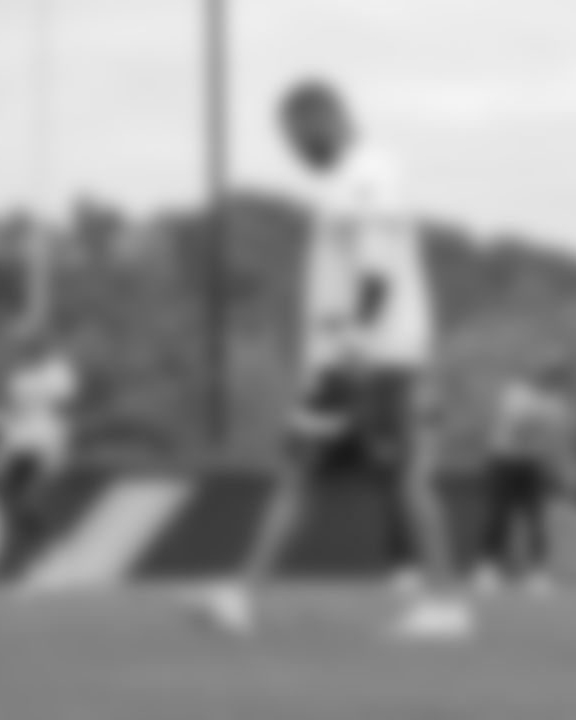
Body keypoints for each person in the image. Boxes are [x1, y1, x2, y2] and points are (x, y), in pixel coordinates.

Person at [195, 78, 471, 640]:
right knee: (298, 473)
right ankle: (239, 597)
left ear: (328, 118)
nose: (297, 150)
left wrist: (354, 341)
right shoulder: (350, 179)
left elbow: (377, 269)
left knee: (405, 479)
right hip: (344, 361)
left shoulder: (367, 174)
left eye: (298, 135)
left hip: (373, 359)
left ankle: (445, 604)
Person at [472, 363, 576, 597]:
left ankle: (537, 573)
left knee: (535, 517)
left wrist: (562, 468)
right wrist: (540, 415)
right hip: (505, 461)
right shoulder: (516, 393)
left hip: (534, 464)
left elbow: (558, 440)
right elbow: (515, 425)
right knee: (498, 515)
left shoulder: (558, 404)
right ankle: (487, 569)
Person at [0, 331, 79, 533]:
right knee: (8, 482)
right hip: (20, 435)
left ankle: (32, 516)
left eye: (32, 346)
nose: (27, 351)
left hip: (45, 435)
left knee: (38, 480)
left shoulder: (57, 371)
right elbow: (12, 407)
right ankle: (23, 517)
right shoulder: (19, 374)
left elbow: (65, 405)